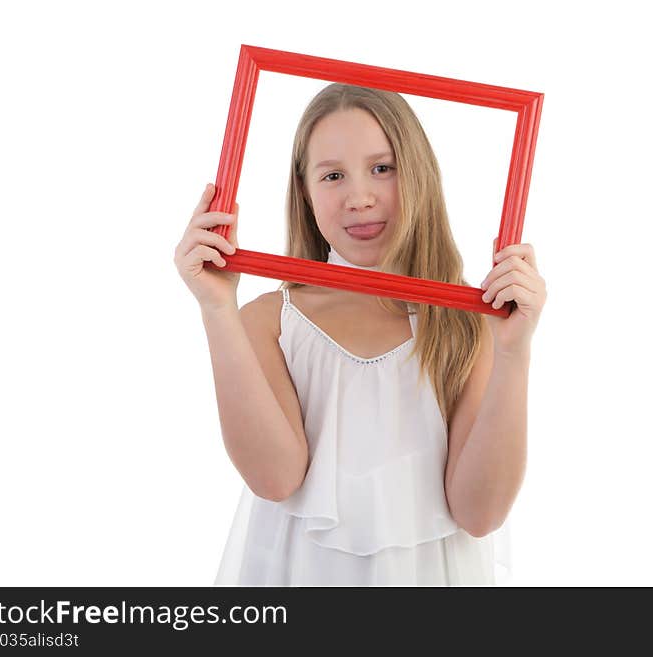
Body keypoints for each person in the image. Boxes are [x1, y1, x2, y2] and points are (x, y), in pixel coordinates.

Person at [173, 83, 547, 586]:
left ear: (418, 173)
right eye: (332, 176)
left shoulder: (466, 321)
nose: (360, 197)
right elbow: (275, 478)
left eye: (382, 168)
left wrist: (514, 353)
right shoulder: (269, 321)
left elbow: (480, 512)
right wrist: (217, 309)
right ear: (304, 192)